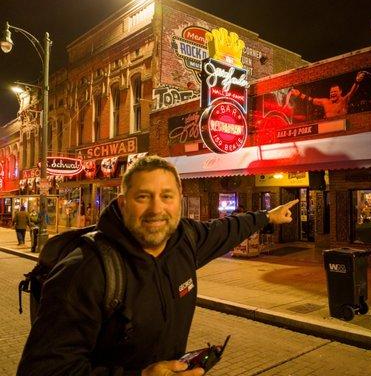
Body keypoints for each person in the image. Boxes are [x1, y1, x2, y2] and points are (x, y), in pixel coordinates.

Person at [18, 155, 298, 376]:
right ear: (124, 204)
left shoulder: (186, 239)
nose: (156, 208)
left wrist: (266, 217)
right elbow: (43, 369)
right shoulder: (86, 269)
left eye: (167, 196)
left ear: (179, 201)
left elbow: (227, 228)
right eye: (143, 197)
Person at [290, 71, 366, 118]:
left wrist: (357, 82)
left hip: (341, 129)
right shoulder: (325, 102)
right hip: (327, 129)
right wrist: (299, 94)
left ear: (340, 92)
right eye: (331, 92)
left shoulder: (344, 100)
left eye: (335, 92)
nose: (332, 93)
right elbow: (311, 100)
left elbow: (352, 92)